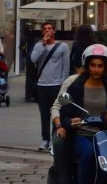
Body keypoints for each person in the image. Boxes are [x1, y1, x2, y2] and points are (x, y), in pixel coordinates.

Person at [50, 44, 107, 184]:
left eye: (100, 66)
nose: (96, 69)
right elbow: (60, 108)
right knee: (89, 152)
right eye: (93, 65)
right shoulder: (74, 84)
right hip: (79, 133)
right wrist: (64, 124)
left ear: (106, 67)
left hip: (104, 133)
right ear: (87, 65)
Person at [31, 21, 70, 150]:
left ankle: (54, 139)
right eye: (45, 29)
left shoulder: (62, 46)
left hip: (56, 85)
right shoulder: (38, 45)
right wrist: (43, 44)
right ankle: (45, 139)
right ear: (42, 32)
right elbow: (33, 59)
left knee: (55, 113)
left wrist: (63, 84)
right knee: (44, 114)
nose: (47, 31)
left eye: (49, 29)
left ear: (54, 31)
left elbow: (66, 66)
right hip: (42, 85)